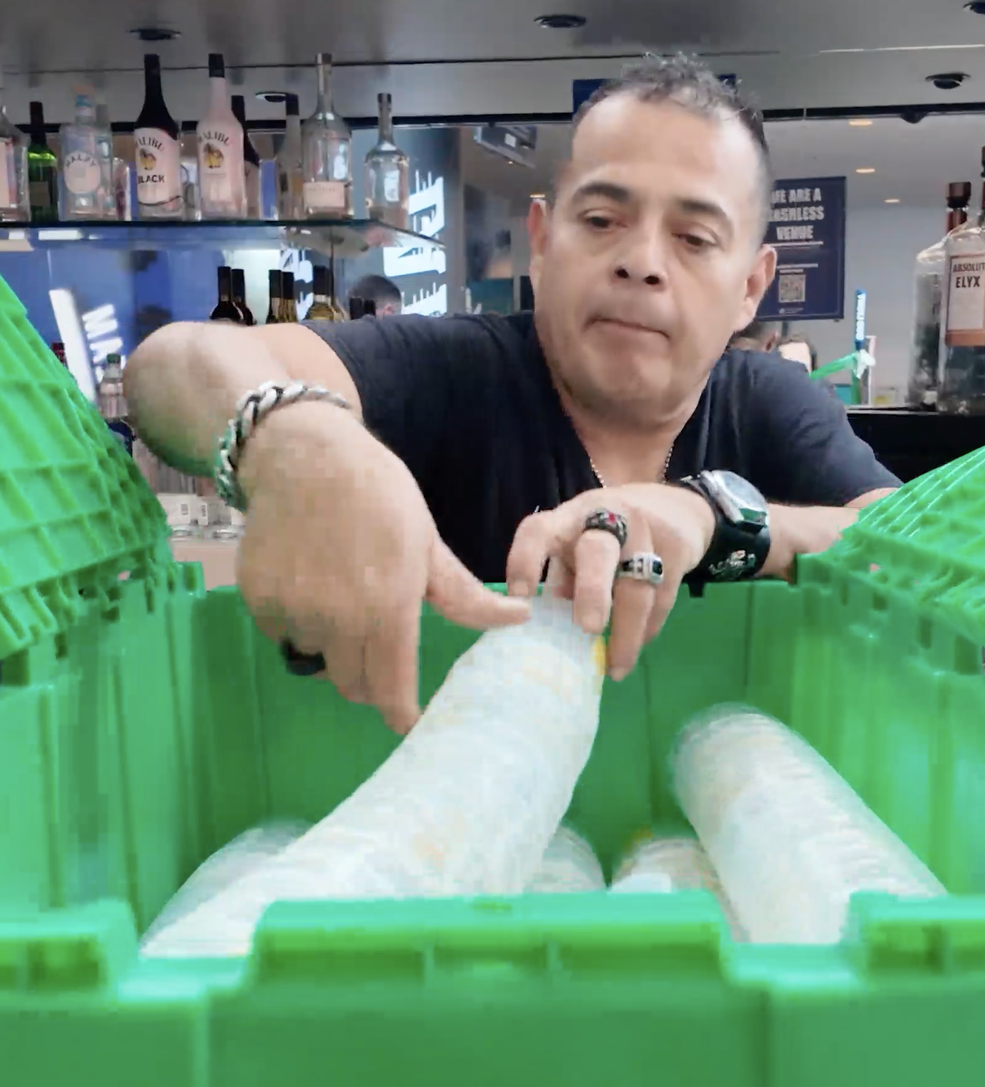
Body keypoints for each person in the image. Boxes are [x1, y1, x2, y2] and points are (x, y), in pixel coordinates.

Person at [125, 53, 899, 733]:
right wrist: (300, 446)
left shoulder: (767, 402)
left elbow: (914, 553)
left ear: (751, 288)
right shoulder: (455, 372)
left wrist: (713, 517)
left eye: (694, 238)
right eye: (602, 219)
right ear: (542, 240)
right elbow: (176, 363)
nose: (641, 261)